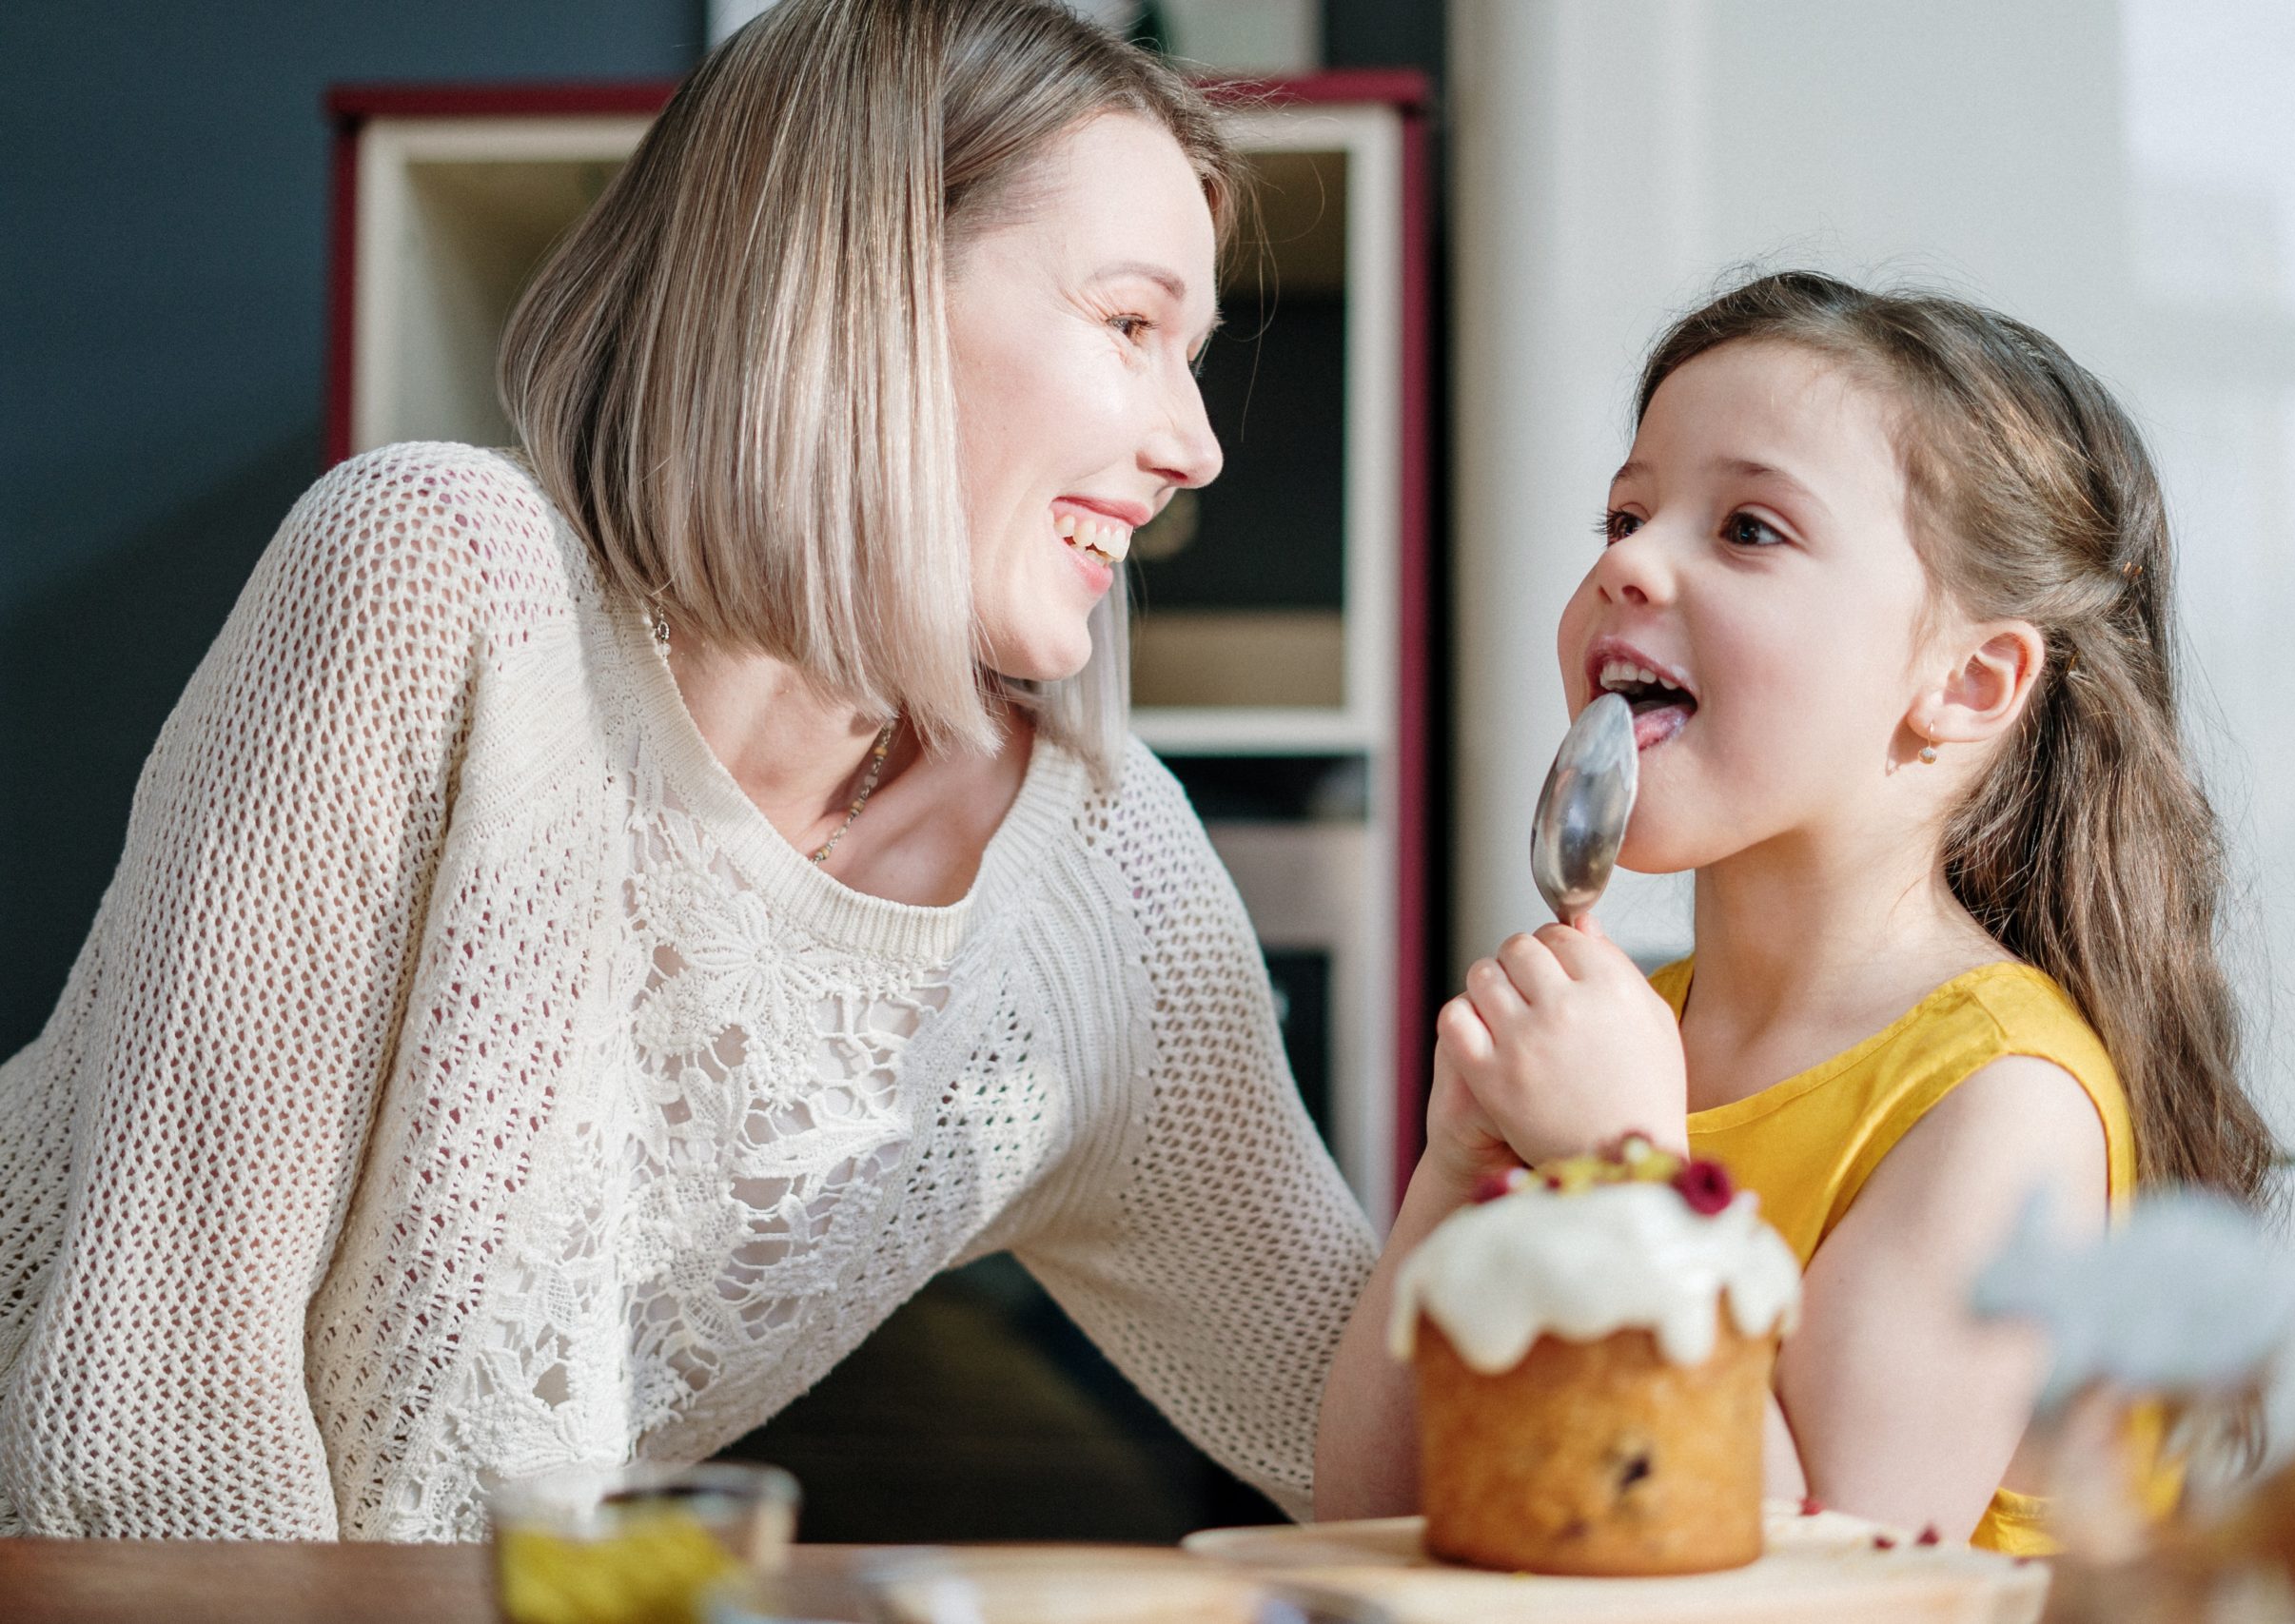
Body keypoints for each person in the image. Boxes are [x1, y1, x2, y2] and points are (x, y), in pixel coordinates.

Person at [0, 0, 1380, 1540]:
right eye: (1131, 326)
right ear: (853, 288)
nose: (1195, 445)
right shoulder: (439, 580)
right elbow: (155, 1417)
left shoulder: (1106, 881)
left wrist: (1515, 1147)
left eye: (1187, 357)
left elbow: (1369, 1446)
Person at [1317, 271, 2277, 1552]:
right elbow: (1372, 1515)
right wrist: (1465, 1167)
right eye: (1624, 513)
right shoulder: (1634, 1047)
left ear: (1968, 680)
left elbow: (1832, 1573)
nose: (1626, 563)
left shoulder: (2002, 1102)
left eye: (1750, 529)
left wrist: (1624, 1180)